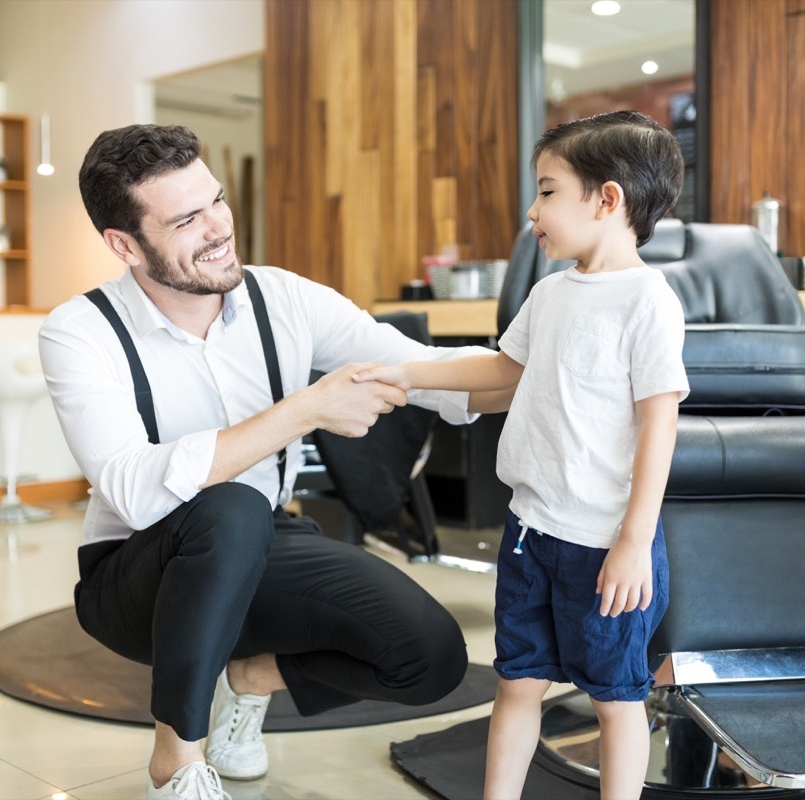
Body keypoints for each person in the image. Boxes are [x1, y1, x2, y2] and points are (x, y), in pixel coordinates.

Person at [38, 124, 503, 800]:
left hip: (264, 540)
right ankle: (177, 761)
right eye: (187, 219)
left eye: (217, 202)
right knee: (228, 506)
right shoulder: (80, 331)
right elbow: (135, 494)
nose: (218, 228)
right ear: (125, 245)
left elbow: (422, 368)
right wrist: (306, 410)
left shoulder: (283, 298)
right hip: (134, 574)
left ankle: (248, 681)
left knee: (428, 657)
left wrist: (552, 361)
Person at [354, 110, 688, 800]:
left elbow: (661, 423)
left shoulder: (647, 301)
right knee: (516, 682)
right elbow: (503, 374)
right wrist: (409, 373)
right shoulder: (550, 292)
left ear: (607, 200)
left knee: (615, 695)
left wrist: (635, 540)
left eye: (547, 191)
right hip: (532, 533)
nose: (530, 209)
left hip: (605, 546)